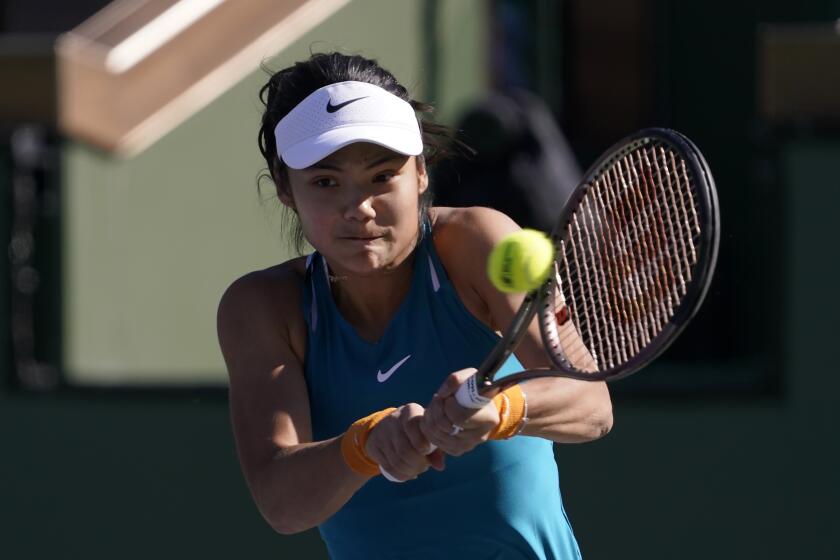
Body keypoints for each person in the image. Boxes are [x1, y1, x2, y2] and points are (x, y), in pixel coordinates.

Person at [217, 52, 613, 560]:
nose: (358, 208)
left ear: (421, 173)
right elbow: (282, 503)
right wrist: (363, 446)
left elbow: (592, 405)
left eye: (382, 176)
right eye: (325, 182)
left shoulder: (477, 243)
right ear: (285, 189)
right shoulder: (263, 308)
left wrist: (503, 409)